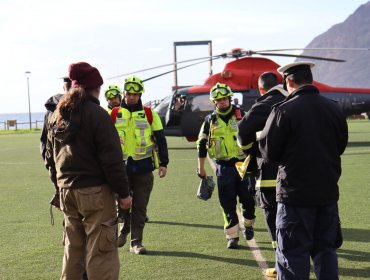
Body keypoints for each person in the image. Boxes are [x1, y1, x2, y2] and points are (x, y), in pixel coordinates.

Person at [259, 62, 348, 279]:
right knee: (326, 250)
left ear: (289, 81)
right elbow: (341, 145)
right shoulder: (334, 107)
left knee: (292, 255)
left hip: (294, 196)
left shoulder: (283, 110)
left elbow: (269, 153)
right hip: (327, 194)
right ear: (310, 79)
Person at [45, 62, 132, 280]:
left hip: (67, 191)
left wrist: (58, 187)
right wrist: (124, 194)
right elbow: (112, 161)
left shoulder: (57, 116)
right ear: (96, 88)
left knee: (72, 251)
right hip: (95, 193)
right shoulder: (98, 115)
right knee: (101, 252)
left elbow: (50, 158)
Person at [237, 72, 288, 278]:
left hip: (269, 176)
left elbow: (242, 134)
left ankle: (281, 264)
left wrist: (252, 151)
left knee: (275, 221)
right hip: (299, 173)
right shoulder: (292, 100)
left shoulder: (264, 104)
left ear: (260, 89)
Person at [113, 75, 169, 254]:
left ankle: (136, 243)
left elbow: (161, 139)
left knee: (140, 207)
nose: (132, 97)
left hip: (143, 169)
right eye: (129, 94)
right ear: (124, 94)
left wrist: (164, 163)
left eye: (135, 94)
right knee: (121, 205)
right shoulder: (112, 114)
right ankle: (124, 229)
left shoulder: (149, 114)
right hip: (119, 170)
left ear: (140, 95)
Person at [197, 82, 256, 249]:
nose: (222, 102)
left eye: (224, 99)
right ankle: (233, 236)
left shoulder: (242, 115)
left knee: (248, 200)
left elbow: (253, 139)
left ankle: (249, 224)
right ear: (214, 102)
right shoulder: (210, 120)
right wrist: (201, 168)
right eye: (218, 99)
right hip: (223, 166)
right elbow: (201, 144)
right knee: (227, 202)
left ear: (229, 98)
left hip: (242, 164)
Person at [40, 77, 71, 160]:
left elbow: (44, 140)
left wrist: (48, 163)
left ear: (63, 88)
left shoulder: (50, 112)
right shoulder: (84, 110)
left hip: (57, 165)